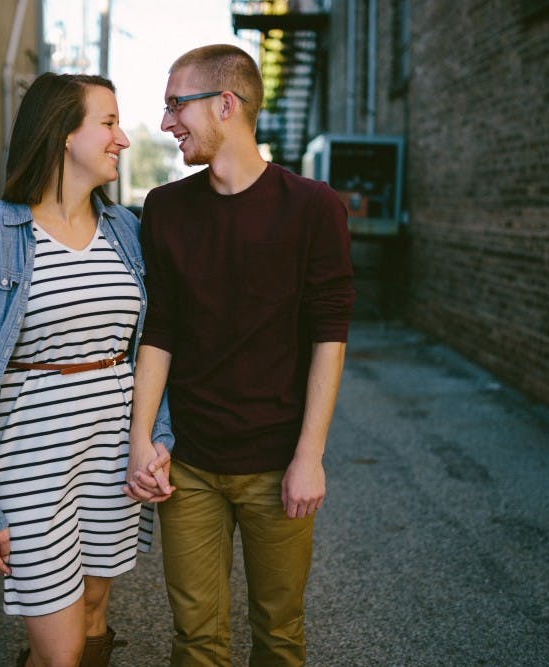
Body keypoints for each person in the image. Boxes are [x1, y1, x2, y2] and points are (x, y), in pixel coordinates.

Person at [123, 44, 354, 666]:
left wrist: (310, 457)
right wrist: (142, 439)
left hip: (278, 466)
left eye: (177, 104)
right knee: (197, 639)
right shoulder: (167, 209)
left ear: (226, 104)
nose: (167, 122)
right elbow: (160, 331)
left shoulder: (313, 208)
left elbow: (329, 337)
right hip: (190, 468)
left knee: (279, 634)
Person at [0, 72, 173, 667]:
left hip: (111, 455)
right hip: (30, 465)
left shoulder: (127, 230)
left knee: (96, 614)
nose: (122, 139)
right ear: (62, 133)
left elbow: (152, 344)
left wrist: (154, 439)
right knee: (61, 648)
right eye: (108, 122)